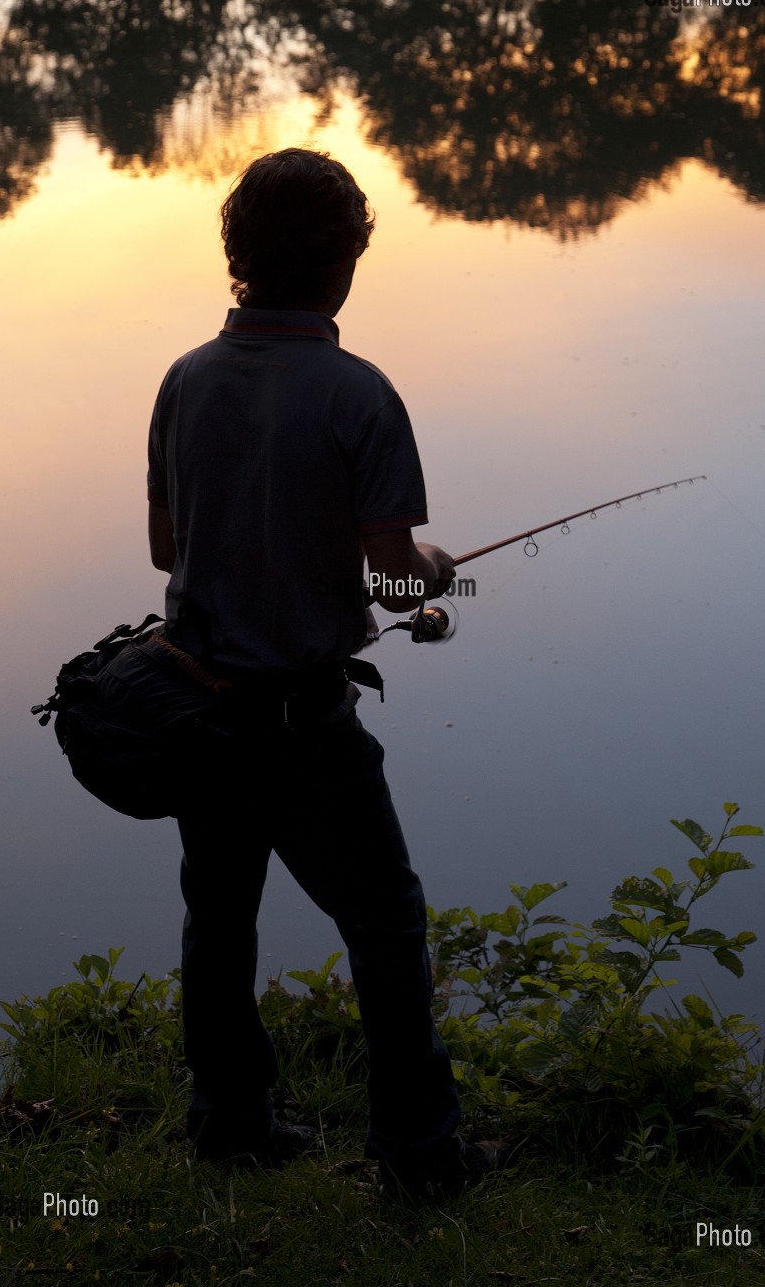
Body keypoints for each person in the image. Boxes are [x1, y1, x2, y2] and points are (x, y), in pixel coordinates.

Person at [146, 147, 504, 1198]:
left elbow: (171, 550)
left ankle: (231, 1122)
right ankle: (422, 1153)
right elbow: (397, 582)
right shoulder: (360, 394)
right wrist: (430, 571)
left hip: (196, 706)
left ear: (237, 253)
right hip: (306, 724)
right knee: (387, 923)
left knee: (219, 920)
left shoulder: (185, 378)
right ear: (348, 256)